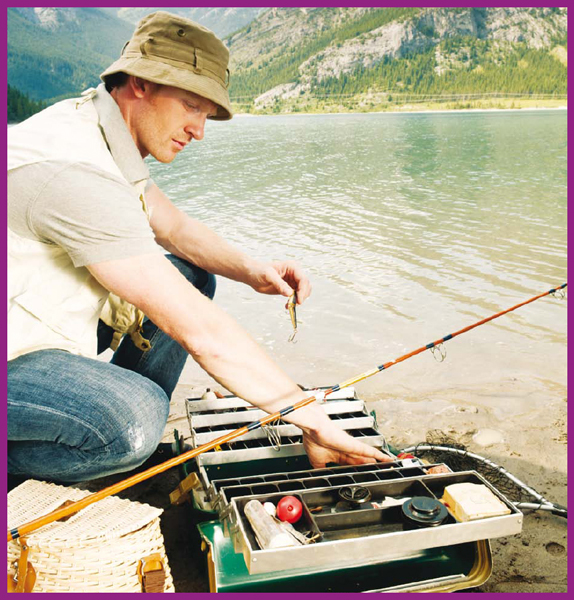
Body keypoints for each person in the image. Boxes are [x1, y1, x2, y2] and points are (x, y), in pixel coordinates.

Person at [7, 11, 389, 484]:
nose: (199, 130)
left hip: (34, 333)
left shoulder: (99, 129)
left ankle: (111, 448)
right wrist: (310, 418)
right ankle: (76, 460)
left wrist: (253, 270)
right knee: (135, 421)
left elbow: (174, 227)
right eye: (191, 105)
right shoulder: (74, 171)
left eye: (206, 114)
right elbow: (200, 330)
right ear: (140, 84)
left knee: (191, 274)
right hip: (15, 356)